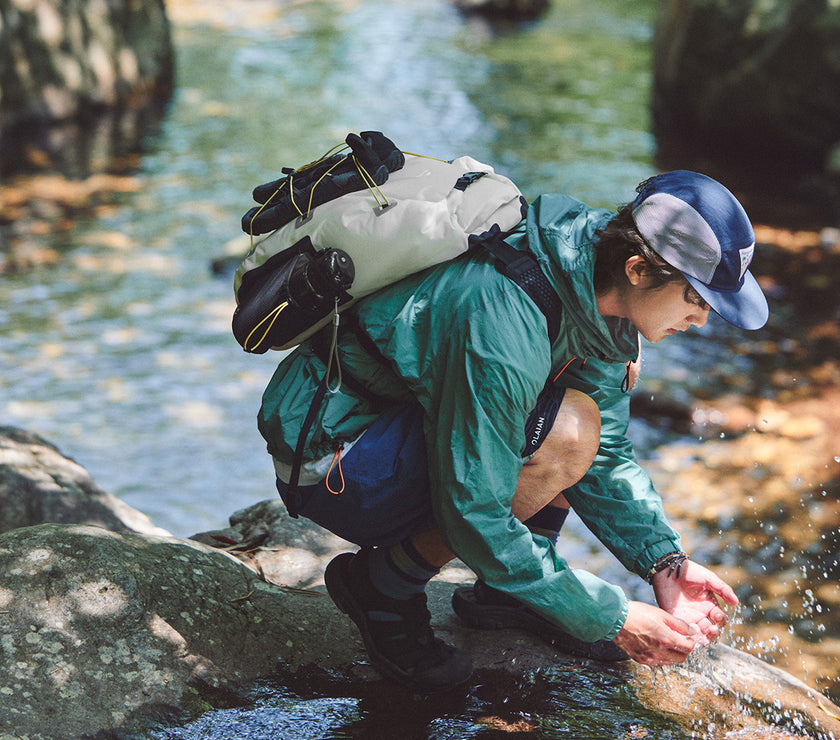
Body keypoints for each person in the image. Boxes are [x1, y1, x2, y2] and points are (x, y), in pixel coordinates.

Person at [256, 169, 768, 691]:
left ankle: (506, 595)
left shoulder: (600, 289)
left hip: (407, 422)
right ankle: (381, 587)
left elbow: (606, 455)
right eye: (697, 300)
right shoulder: (503, 315)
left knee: (581, 425)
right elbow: (473, 509)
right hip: (338, 455)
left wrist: (665, 561)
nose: (702, 321)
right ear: (638, 269)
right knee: (568, 428)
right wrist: (608, 616)